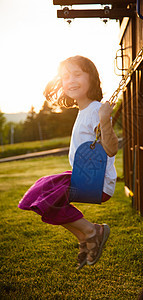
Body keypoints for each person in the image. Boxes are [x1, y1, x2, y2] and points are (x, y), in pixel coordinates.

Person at [18, 55, 118, 270]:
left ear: (91, 77)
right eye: (65, 76)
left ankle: (93, 231)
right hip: (83, 176)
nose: (70, 80)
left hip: (96, 181)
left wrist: (104, 119)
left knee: (48, 199)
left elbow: (111, 149)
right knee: (40, 194)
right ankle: (82, 237)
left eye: (77, 74)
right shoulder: (84, 110)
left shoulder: (96, 110)